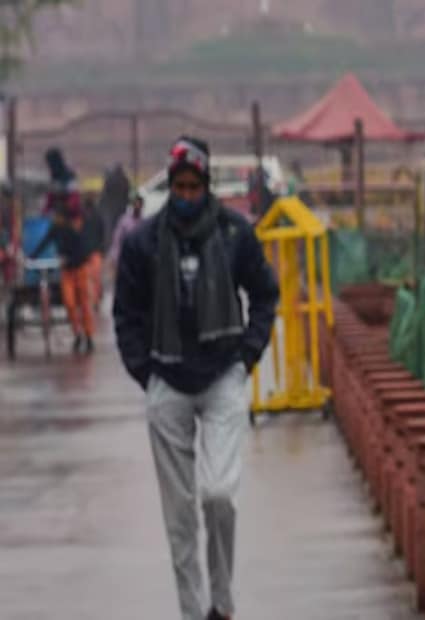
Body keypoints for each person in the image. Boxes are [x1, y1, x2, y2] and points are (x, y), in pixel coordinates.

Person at [113, 136, 278, 620]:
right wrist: (145, 371)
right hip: (166, 380)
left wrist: (246, 355)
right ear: (170, 184)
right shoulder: (144, 241)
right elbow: (127, 314)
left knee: (218, 495)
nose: (186, 195)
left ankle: (222, 602)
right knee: (179, 514)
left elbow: (265, 294)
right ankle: (192, 610)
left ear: (206, 185)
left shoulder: (234, 234)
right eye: (179, 186)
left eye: (194, 186)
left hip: (223, 374)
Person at [30, 195, 95, 354]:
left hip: (79, 269)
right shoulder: (55, 229)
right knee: (69, 303)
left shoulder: (73, 230)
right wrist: (32, 256)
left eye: (57, 216)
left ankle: (88, 335)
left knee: (84, 304)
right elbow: (44, 242)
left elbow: (83, 251)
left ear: (63, 217)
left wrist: (69, 258)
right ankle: (77, 333)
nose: (54, 218)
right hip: (66, 273)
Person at [107, 192, 144, 270]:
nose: (137, 207)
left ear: (142, 206)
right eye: (135, 205)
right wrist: (114, 258)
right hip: (124, 258)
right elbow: (116, 240)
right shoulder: (124, 221)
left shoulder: (143, 223)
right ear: (132, 205)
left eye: (139, 205)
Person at [82, 194, 105, 309]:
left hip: (89, 252)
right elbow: (102, 233)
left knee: (90, 279)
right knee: (95, 278)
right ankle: (95, 300)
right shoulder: (97, 216)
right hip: (94, 252)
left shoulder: (84, 217)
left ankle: (94, 300)